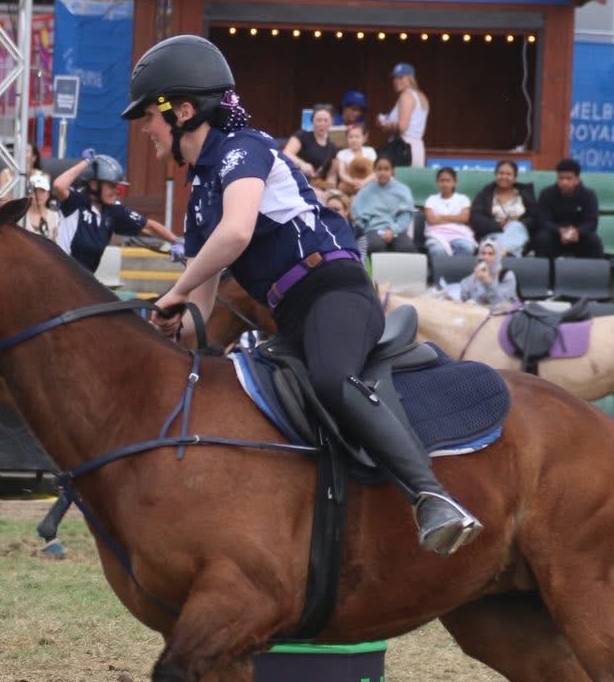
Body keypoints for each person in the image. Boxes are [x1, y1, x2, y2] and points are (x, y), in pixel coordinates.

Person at [128, 33, 481, 555]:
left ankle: (431, 495)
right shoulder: (200, 196)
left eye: (149, 117)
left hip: (334, 291)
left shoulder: (243, 148)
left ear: (183, 110)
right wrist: (164, 329)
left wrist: (173, 290)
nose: (145, 130)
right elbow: (199, 313)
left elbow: (237, 234)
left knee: (332, 378)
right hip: (290, 316)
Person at [49, 152, 179, 273]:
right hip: (61, 274)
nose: (117, 191)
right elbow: (59, 185)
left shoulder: (113, 211)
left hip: (85, 281)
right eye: (112, 186)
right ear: (94, 185)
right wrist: (86, 162)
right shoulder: (75, 201)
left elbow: (150, 227)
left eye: (118, 186)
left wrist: (178, 242)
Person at [528, 158, 604, 258]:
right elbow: (543, 221)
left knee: (594, 241)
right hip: (554, 235)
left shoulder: (589, 195)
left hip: (579, 236)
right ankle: (545, 273)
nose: (564, 182)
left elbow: (591, 222)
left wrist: (577, 232)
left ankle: (593, 273)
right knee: (542, 239)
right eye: (561, 178)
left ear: (577, 179)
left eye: (568, 179)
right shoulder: (546, 193)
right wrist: (559, 230)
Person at [351, 155, 419, 254]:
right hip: (373, 229)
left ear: (392, 171)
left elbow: (405, 216)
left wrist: (393, 230)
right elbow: (360, 219)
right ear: (374, 171)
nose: (382, 172)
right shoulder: (365, 191)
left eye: (386, 169)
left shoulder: (403, 190)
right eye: (379, 169)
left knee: (407, 247)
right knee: (374, 245)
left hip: (397, 230)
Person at [469, 159, 531, 255]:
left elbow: (535, 217)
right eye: (501, 173)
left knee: (516, 227)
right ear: (495, 175)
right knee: (515, 248)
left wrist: (517, 223)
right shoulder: (485, 194)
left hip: (519, 232)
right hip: (493, 233)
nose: (504, 177)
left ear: (515, 177)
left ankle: (497, 252)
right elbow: (476, 218)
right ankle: (506, 253)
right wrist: (498, 226)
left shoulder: (525, 194)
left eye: (508, 174)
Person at [377, 63, 430, 167]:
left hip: (402, 147)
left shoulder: (406, 96)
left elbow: (402, 127)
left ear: (410, 78)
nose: (397, 81)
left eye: (401, 78)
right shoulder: (421, 96)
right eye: (395, 78)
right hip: (417, 146)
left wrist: (384, 124)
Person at [440, 238, 519, 307]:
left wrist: (487, 282)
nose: (486, 257)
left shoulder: (506, 275)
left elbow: (501, 304)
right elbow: (463, 294)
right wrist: (452, 298)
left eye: (491, 254)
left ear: (497, 256)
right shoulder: (475, 275)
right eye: (483, 253)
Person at [422, 166, 476, 260]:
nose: (445, 184)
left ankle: (458, 273)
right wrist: (455, 218)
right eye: (442, 181)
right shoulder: (431, 199)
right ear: (437, 183)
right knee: (438, 250)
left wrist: (441, 217)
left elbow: (464, 218)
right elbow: (431, 220)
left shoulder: (463, 199)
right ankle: (441, 274)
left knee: (466, 248)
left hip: (458, 234)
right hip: (436, 234)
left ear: (455, 182)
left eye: (448, 180)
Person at [282, 107, 339, 188]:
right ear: (312, 121)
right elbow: (286, 153)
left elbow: (332, 174)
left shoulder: (332, 147)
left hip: (318, 184)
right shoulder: (302, 135)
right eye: (318, 120)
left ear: (331, 122)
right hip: (297, 180)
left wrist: (330, 187)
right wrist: (302, 164)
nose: (322, 124)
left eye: (326, 120)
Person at [333, 122, 376, 196]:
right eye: (351, 137)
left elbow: (375, 172)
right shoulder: (342, 153)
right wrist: (353, 182)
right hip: (349, 185)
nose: (354, 140)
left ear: (364, 138)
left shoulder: (370, 151)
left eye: (357, 137)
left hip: (368, 183)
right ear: (347, 138)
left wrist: (364, 182)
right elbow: (342, 174)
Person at [20, 170, 59, 241]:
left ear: (48, 194)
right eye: (35, 191)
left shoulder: (55, 216)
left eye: (42, 191)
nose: (38, 195)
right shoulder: (21, 216)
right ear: (28, 194)